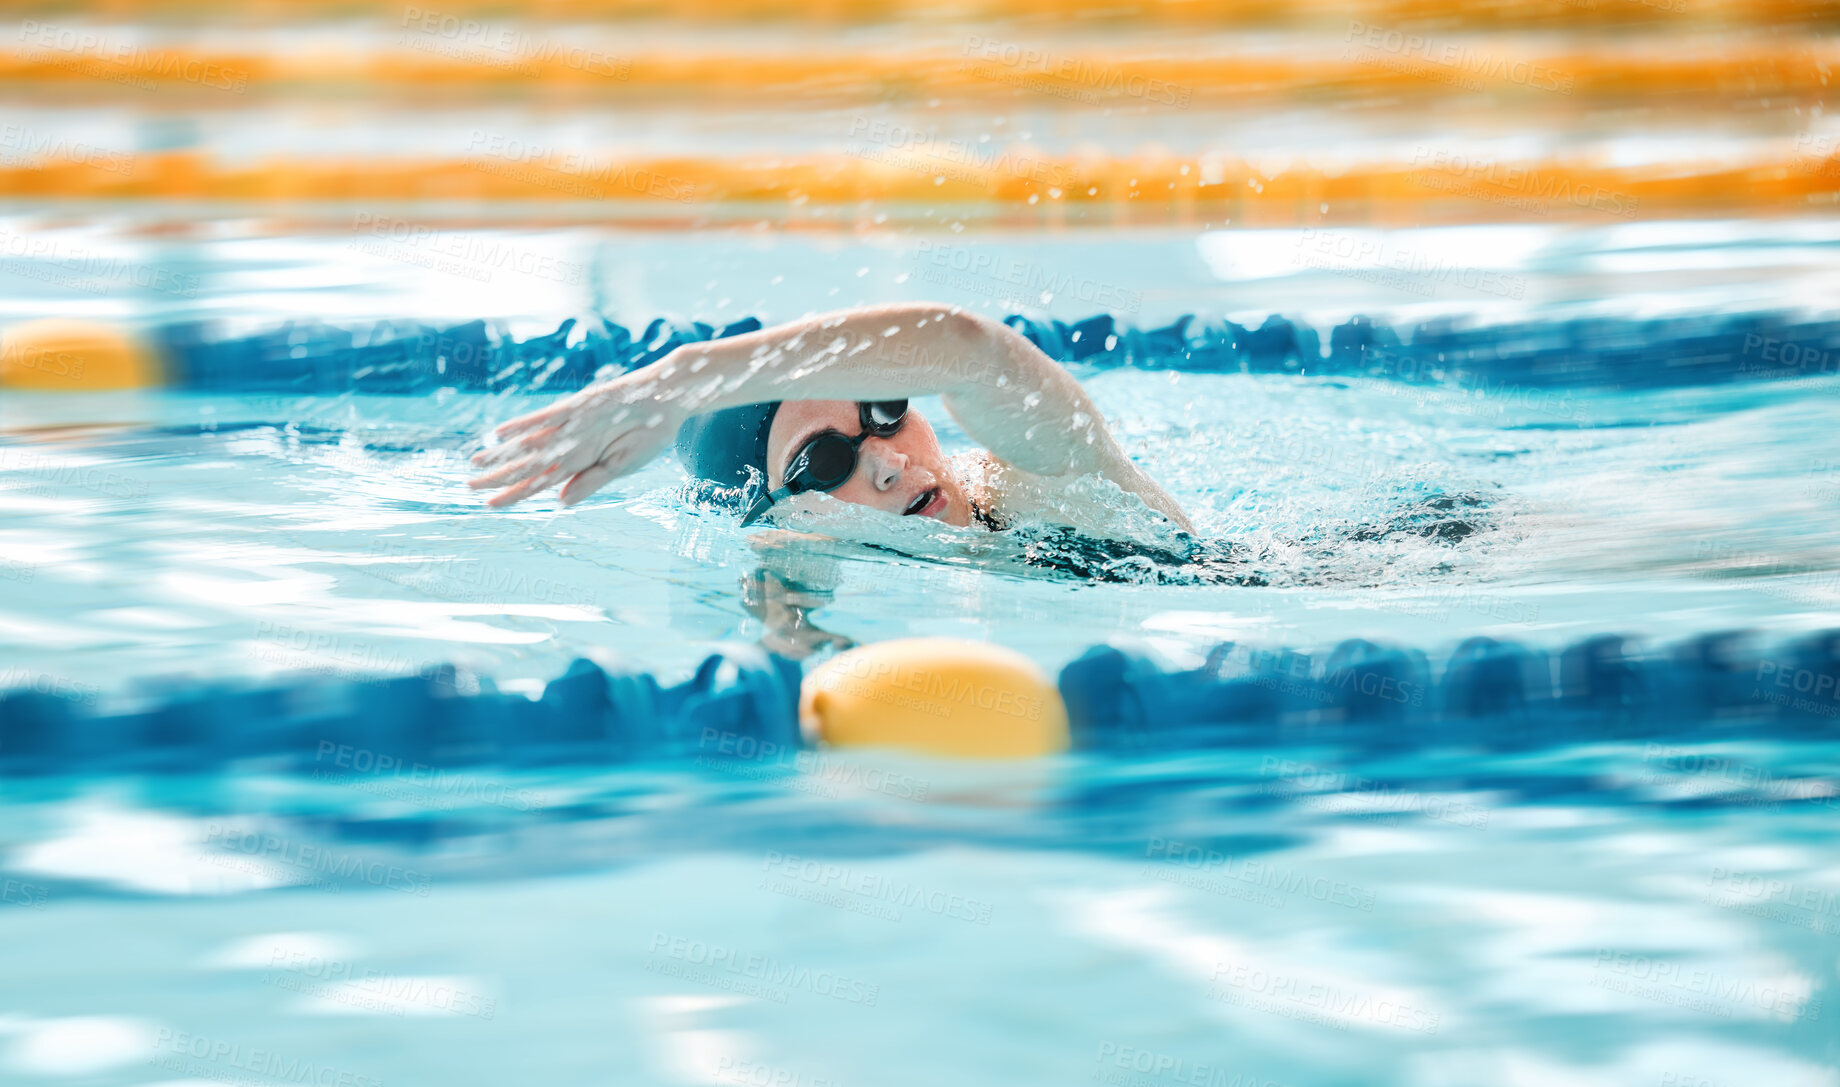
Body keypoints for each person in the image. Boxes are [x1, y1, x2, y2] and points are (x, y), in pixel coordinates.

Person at [468, 301, 1196, 541]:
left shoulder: (1044, 480)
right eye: (822, 464)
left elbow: (972, 351)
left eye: (886, 411)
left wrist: (682, 380)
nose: (887, 461)